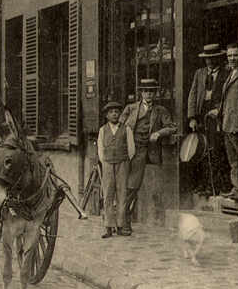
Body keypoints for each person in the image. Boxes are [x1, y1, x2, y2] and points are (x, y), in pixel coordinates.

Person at [119, 78, 176, 235]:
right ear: (141, 92)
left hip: (145, 150)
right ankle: (121, 218)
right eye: (145, 90)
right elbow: (119, 126)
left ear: (155, 93)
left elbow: (172, 127)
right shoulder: (130, 108)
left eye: (151, 91)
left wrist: (158, 133)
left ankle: (124, 220)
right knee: (125, 184)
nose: (148, 93)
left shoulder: (160, 110)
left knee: (133, 185)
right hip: (128, 149)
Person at [186, 43, 231, 195]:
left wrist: (219, 111)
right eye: (207, 59)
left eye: (213, 58)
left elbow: (227, 97)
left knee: (216, 151)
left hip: (217, 117)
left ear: (218, 58)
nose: (210, 62)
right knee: (201, 151)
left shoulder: (226, 73)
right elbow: (192, 95)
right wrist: (192, 117)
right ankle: (203, 185)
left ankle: (216, 186)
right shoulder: (199, 73)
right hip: (201, 116)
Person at [97, 101, 135, 239]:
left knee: (122, 194)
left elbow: (131, 149)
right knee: (108, 194)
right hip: (107, 164)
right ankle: (108, 226)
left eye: (117, 112)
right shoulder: (102, 130)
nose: (114, 114)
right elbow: (100, 149)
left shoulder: (127, 129)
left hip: (122, 164)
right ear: (107, 115)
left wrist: (123, 159)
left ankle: (120, 226)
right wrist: (105, 161)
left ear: (120, 114)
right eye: (111, 112)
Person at [219, 44, 238, 199]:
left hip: (237, 124)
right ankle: (236, 189)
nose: (232, 58)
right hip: (228, 123)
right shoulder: (230, 74)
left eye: (235, 55)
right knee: (233, 160)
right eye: (229, 56)